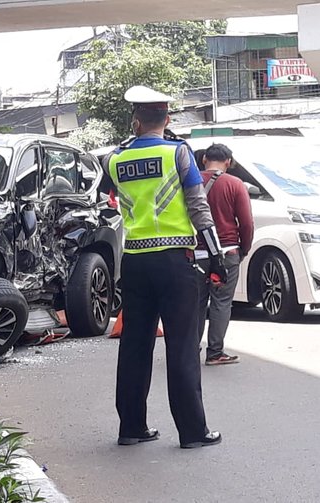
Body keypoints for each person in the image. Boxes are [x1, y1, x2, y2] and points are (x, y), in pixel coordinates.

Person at [101, 85, 226, 449]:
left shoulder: (114, 158)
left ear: (136, 121)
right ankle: (192, 432)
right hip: (176, 261)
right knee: (183, 345)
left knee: (135, 344)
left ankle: (131, 428)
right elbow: (198, 206)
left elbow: (107, 196)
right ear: (167, 119)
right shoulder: (178, 153)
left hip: (135, 262)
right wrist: (216, 254)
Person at [195, 143, 254, 365]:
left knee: (196, 303)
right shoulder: (235, 184)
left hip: (197, 252)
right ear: (228, 162)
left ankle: (190, 352)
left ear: (204, 160)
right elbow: (246, 222)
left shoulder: (190, 182)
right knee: (221, 302)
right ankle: (215, 352)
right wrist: (244, 248)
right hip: (226, 251)